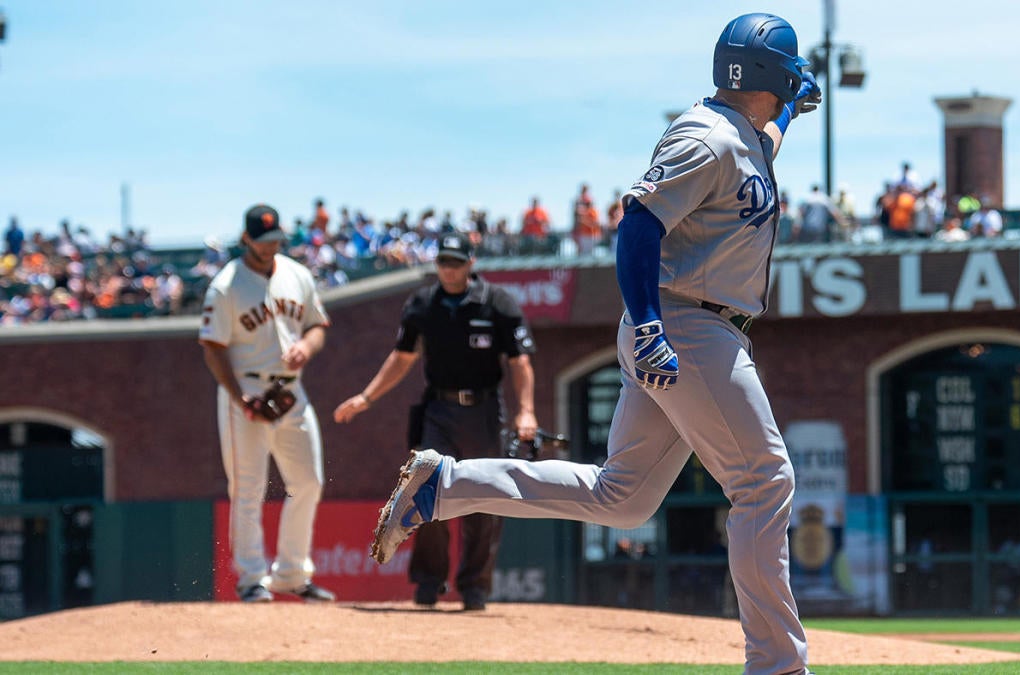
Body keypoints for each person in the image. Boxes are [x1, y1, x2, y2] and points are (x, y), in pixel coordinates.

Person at [369, 13, 819, 674]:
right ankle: (778, 664)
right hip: (685, 323)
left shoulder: (744, 135)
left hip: (691, 323)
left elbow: (756, 151)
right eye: (789, 76)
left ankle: (445, 483)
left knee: (623, 498)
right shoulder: (708, 137)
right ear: (769, 75)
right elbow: (638, 224)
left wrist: (791, 117)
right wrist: (647, 324)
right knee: (764, 479)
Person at [334, 233, 539, 611]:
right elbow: (402, 357)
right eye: (443, 261)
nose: (449, 268)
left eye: (456, 262)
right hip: (438, 411)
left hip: (483, 412)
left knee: (484, 496)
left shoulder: (498, 303)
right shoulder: (423, 304)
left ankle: (475, 588)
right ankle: (429, 583)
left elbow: (519, 362)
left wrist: (526, 409)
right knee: (427, 488)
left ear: (470, 263)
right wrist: (366, 397)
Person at [198, 204, 336, 604]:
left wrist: (306, 347)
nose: (270, 246)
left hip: (291, 391)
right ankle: (252, 579)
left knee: (309, 482)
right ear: (246, 239)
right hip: (247, 392)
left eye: (276, 240)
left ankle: (292, 575)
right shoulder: (225, 286)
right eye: (262, 241)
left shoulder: (298, 274)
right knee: (248, 488)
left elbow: (316, 325)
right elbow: (212, 348)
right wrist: (239, 397)